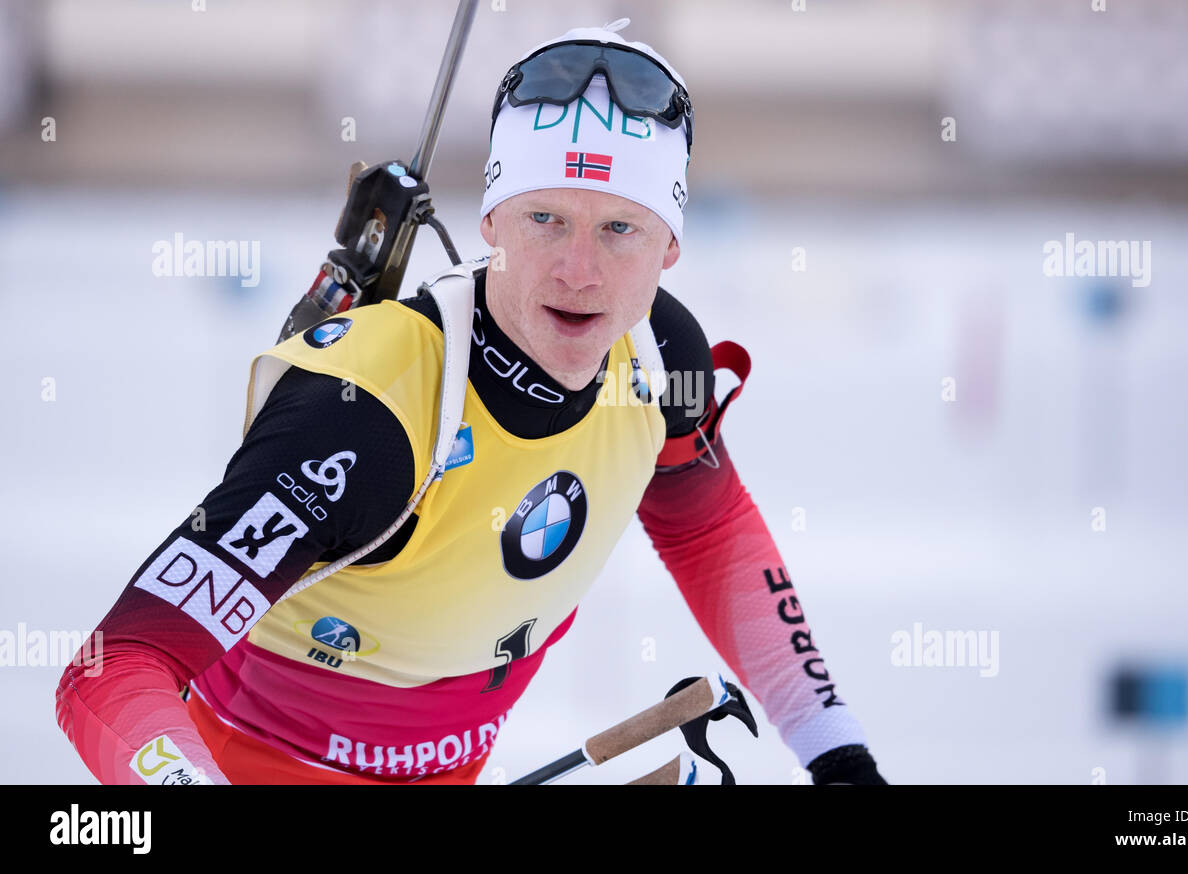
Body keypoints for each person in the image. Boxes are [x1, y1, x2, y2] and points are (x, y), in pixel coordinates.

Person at [55, 20, 886, 786]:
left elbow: (709, 532)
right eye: (546, 218)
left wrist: (833, 749)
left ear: (671, 245)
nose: (579, 271)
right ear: (489, 219)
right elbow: (114, 667)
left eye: (619, 230)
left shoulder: (663, 358)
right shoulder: (368, 414)